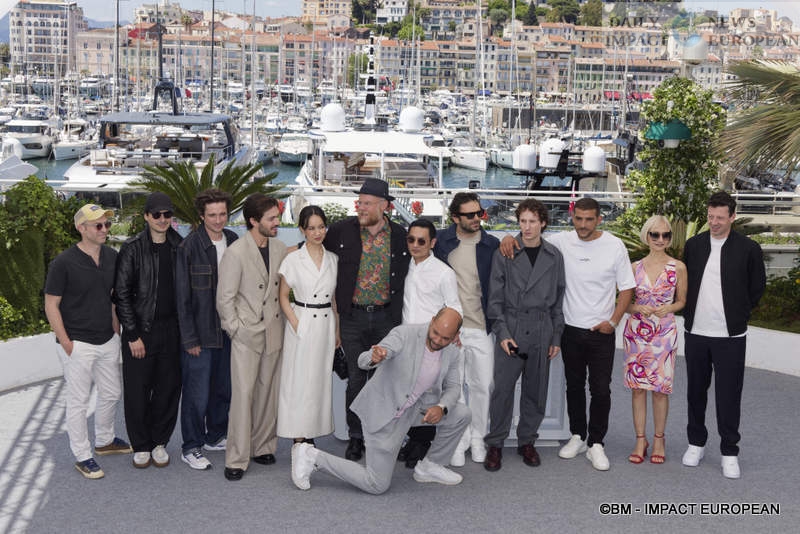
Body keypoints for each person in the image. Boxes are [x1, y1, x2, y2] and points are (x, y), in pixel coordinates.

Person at [290, 308, 470, 494]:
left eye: (445, 338)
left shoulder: (453, 352)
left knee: (461, 414)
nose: (438, 341)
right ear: (432, 321)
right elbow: (364, 359)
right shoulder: (404, 334)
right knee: (376, 484)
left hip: (415, 409)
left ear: (455, 335)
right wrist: (374, 357)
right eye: (435, 333)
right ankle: (310, 456)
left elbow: (454, 386)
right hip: (385, 412)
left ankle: (430, 466)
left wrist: (441, 407)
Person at [545, 197, 635, 471]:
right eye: (578, 219)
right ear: (572, 217)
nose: (582, 225)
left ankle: (597, 442)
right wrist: (508, 240)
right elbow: (530, 235)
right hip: (570, 329)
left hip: (602, 332)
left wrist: (614, 321)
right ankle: (578, 435)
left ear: (599, 220)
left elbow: (627, 287)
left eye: (588, 219)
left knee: (600, 389)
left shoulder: (614, 245)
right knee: (573, 386)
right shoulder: (561, 241)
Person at [681, 191, 766, 479]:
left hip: (730, 336)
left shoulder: (748, 249)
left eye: (720, 217)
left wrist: (740, 314)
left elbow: (757, 288)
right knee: (695, 392)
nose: (714, 222)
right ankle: (696, 443)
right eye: (710, 217)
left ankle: (729, 451)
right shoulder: (694, 245)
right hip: (696, 333)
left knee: (729, 395)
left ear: (732, 217)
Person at [323, 178, 409, 461]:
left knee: (386, 381)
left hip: (387, 318)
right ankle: (356, 437)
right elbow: (311, 247)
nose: (361, 207)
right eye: (359, 202)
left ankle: (382, 436)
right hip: (352, 319)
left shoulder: (400, 236)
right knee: (357, 381)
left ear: (384, 206)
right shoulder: (340, 231)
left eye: (368, 203)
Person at [44, 204, 132, 479]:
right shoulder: (63, 263)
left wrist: (115, 326)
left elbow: (113, 295)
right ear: (81, 228)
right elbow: (51, 305)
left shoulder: (111, 256)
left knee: (111, 393)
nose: (105, 229)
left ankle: (104, 440)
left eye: (106, 224)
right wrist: (66, 342)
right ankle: (83, 455)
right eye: (98, 225)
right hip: (77, 343)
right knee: (79, 402)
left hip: (107, 338)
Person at [484, 199, 565, 471]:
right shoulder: (505, 252)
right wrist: (503, 333)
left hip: (542, 329)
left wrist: (556, 336)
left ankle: (527, 441)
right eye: (522, 221)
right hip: (513, 328)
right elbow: (494, 300)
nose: (527, 227)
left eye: (533, 221)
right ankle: (495, 443)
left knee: (536, 390)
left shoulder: (554, 256)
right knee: (502, 391)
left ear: (543, 223)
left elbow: (558, 300)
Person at [216, 193, 288, 481]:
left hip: (274, 331)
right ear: (253, 221)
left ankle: (263, 446)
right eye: (271, 218)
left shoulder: (281, 247)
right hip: (246, 335)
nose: (277, 222)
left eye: (277, 217)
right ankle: (236, 457)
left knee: (268, 394)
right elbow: (225, 299)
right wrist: (236, 329)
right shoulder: (235, 253)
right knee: (243, 397)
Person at [114, 192, 183, 469]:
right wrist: (132, 335)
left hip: (172, 331)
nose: (163, 219)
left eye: (167, 214)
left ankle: (159, 442)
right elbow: (121, 294)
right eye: (157, 214)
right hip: (140, 331)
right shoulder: (131, 249)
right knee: (138, 391)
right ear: (146, 217)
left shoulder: (180, 246)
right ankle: (141, 444)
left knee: (168, 389)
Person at [433, 192, 499, 466]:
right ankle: (458, 441)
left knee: (483, 385)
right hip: (452, 331)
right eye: (470, 215)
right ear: (455, 218)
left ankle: (478, 438)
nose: (477, 218)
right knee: (455, 389)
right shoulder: (441, 243)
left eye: (480, 213)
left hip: (481, 327)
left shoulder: (492, 244)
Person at [175, 188, 238, 470]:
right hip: (200, 336)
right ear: (201, 216)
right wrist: (189, 339)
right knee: (196, 395)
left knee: (223, 389)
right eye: (212, 215)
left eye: (222, 214)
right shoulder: (189, 247)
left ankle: (215, 435)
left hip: (228, 333)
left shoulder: (234, 241)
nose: (218, 220)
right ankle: (191, 446)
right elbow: (182, 298)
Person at [622, 215, 687, 465]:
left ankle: (659, 438)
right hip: (636, 333)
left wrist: (669, 307)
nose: (660, 239)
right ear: (647, 236)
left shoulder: (678, 267)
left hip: (664, 333)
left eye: (665, 235)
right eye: (655, 234)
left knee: (660, 391)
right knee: (638, 389)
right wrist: (638, 308)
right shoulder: (634, 267)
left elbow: (683, 300)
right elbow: (624, 303)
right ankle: (641, 439)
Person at [398, 218, 462, 467]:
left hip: (430, 342)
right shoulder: (405, 265)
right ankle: (411, 439)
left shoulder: (443, 272)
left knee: (427, 393)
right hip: (406, 341)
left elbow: (454, 305)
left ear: (432, 242)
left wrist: (453, 331)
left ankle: (422, 444)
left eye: (421, 241)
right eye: (411, 239)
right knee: (408, 393)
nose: (415, 245)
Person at [277, 205, 339, 444]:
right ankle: (299, 436)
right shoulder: (293, 259)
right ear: (302, 230)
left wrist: (336, 330)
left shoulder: (333, 259)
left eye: (321, 227)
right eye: (311, 228)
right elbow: (283, 295)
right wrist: (295, 323)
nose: (317, 232)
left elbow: (333, 299)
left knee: (318, 382)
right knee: (299, 381)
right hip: (302, 321)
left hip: (325, 325)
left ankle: (311, 432)